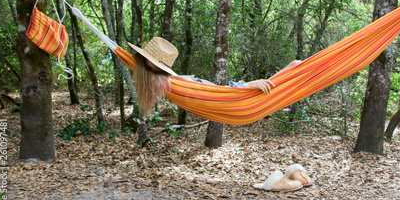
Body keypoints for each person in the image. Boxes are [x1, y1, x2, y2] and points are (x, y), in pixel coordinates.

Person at [129, 37, 300, 117]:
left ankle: (303, 68)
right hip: (229, 96)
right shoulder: (169, 84)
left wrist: (247, 85)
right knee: (282, 78)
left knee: (286, 73)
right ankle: (297, 68)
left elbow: (216, 92)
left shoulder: (176, 83)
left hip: (229, 94)